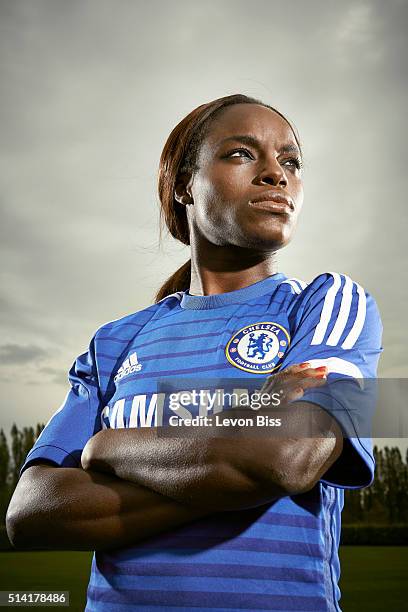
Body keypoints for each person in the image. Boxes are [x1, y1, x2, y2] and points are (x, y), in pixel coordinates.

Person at [6, 94, 383, 611]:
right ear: (185, 183)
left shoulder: (331, 305)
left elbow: (285, 459)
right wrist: (248, 425)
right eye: (242, 154)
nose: (277, 174)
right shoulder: (115, 342)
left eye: (290, 161)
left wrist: (111, 448)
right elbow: (32, 514)